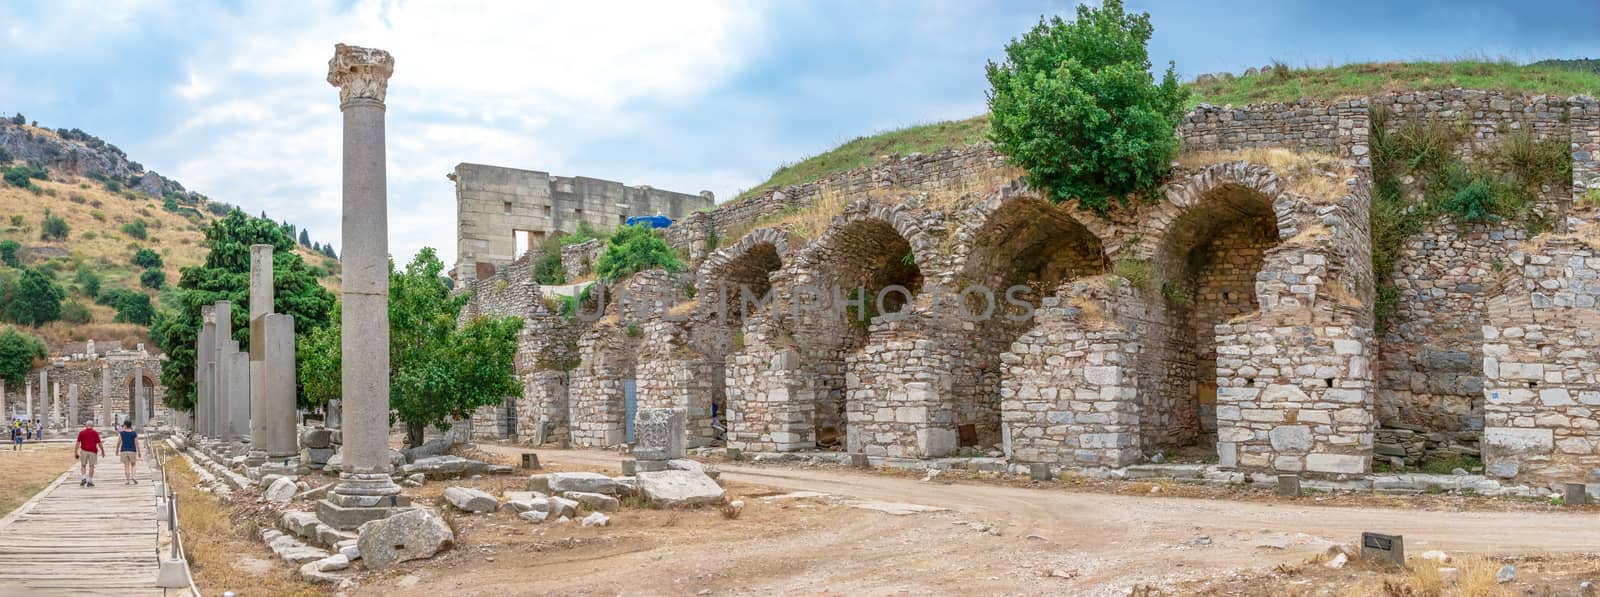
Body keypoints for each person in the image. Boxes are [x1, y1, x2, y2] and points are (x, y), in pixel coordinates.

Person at [74, 420, 104, 487]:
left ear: (86, 426)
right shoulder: (95, 433)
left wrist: (75, 451)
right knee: (91, 466)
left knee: (83, 465)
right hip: (93, 451)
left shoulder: (81, 433)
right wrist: (102, 451)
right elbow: (99, 443)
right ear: (92, 426)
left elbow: (78, 443)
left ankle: (83, 478)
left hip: (84, 450)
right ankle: (90, 481)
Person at [117, 420, 139, 485]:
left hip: (124, 450)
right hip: (132, 450)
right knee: (133, 464)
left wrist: (117, 449)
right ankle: (133, 476)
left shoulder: (122, 433)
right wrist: (139, 451)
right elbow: (137, 443)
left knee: (126, 466)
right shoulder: (134, 433)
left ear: (126, 426)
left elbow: (119, 442)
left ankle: (127, 480)